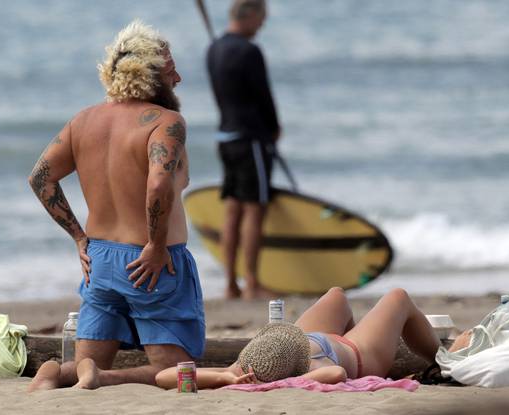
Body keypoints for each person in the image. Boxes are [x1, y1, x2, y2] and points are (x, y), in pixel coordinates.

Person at [27, 20, 205, 391]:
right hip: (150, 264)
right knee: (180, 369)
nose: (179, 78)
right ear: (152, 76)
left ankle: (51, 376)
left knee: (83, 362)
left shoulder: (84, 121)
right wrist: (156, 245)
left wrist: (78, 237)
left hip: (100, 260)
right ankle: (103, 380)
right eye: (171, 70)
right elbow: (157, 183)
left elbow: (40, 178)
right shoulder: (166, 123)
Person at [155, 287, 458, 388]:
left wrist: (223, 378)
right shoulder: (308, 370)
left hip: (311, 337)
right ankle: (444, 361)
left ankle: (354, 327)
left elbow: (164, 377)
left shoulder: (245, 366)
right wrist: (289, 379)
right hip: (359, 352)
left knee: (336, 295)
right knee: (397, 297)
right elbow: (337, 372)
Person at [206, 0, 281, 300]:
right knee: (254, 208)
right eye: (262, 18)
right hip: (251, 138)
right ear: (249, 15)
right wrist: (274, 128)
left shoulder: (214, 49)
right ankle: (251, 281)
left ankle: (230, 283)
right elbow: (263, 95)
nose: (262, 25)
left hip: (225, 135)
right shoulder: (250, 51)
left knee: (233, 209)